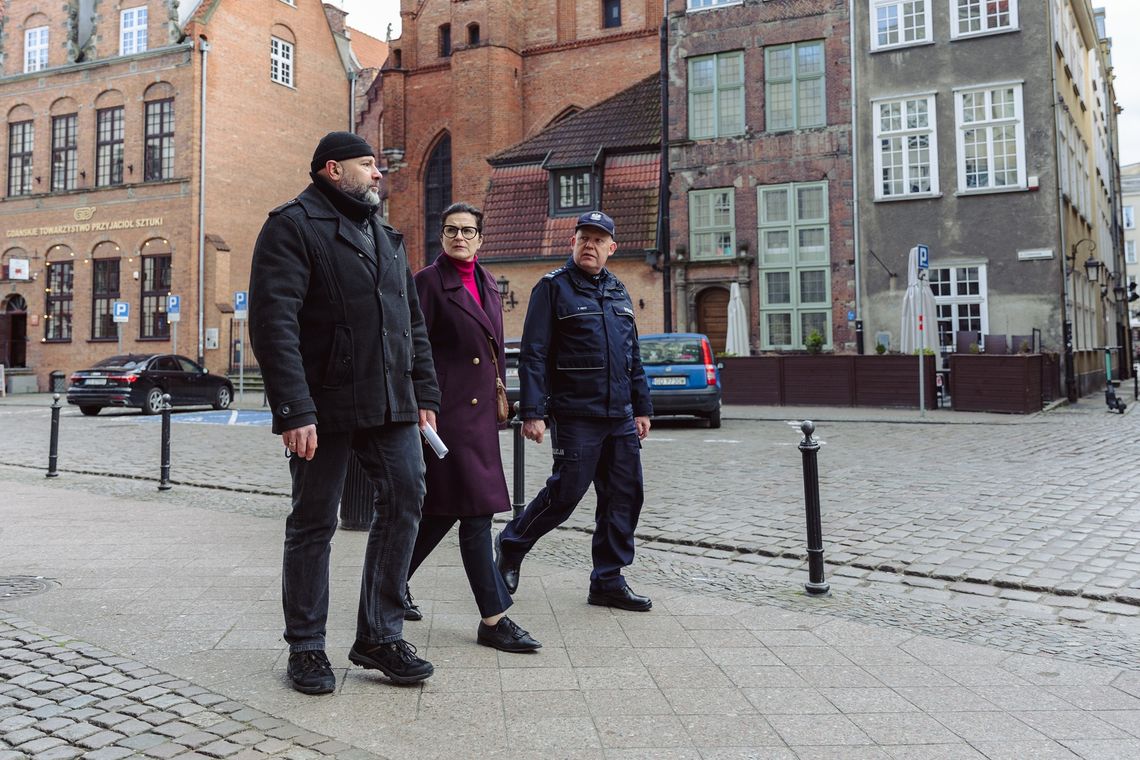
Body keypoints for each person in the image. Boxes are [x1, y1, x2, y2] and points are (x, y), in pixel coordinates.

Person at [249, 131, 441, 695]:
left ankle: (378, 636)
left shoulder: (385, 234)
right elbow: (273, 323)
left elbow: (412, 325)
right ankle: (306, 647)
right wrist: (293, 408)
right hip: (322, 401)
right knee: (313, 521)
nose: (378, 173)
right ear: (332, 169)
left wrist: (423, 395)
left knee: (407, 498)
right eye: (368, 164)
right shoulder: (291, 226)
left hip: (391, 400)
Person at [494, 210, 654, 612]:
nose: (590, 245)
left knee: (624, 496)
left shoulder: (619, 291)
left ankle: (608, 580)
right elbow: (533, 354)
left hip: (619, 416)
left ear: (611, 249)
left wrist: (641, 408)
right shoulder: (552, 288)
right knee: (565, 495)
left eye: (599, 240)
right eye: (584, 238)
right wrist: (533, 411)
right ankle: (512, 546)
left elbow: (632, 358)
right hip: (576, 414)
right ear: (573, 243)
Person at [406, 202, 541, 653]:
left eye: (467, 231)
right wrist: (423, 401)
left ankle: (389, 583)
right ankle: (493, 618)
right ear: (441, 237)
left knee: (443, 511)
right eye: (450, 230)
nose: (459, 237)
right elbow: (412, 348)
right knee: (477, 514)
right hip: (445, 415)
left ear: (481, 239)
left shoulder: (487, 283)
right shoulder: (427, 282)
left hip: (480, 417)